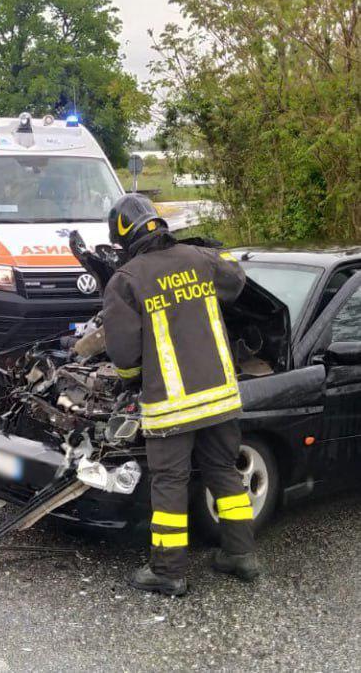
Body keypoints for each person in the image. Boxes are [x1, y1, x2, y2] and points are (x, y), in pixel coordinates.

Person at [102, 194, 260, 596]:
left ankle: (168, 570)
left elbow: (123, 353)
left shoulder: (126, 280)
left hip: (171, 406)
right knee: (224, 471)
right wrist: (209, 251)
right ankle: (240, 555)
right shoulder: (200, 259)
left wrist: (132, 380)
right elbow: (237, 280)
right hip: (221, 397)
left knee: (169, 482)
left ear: (122, 238)